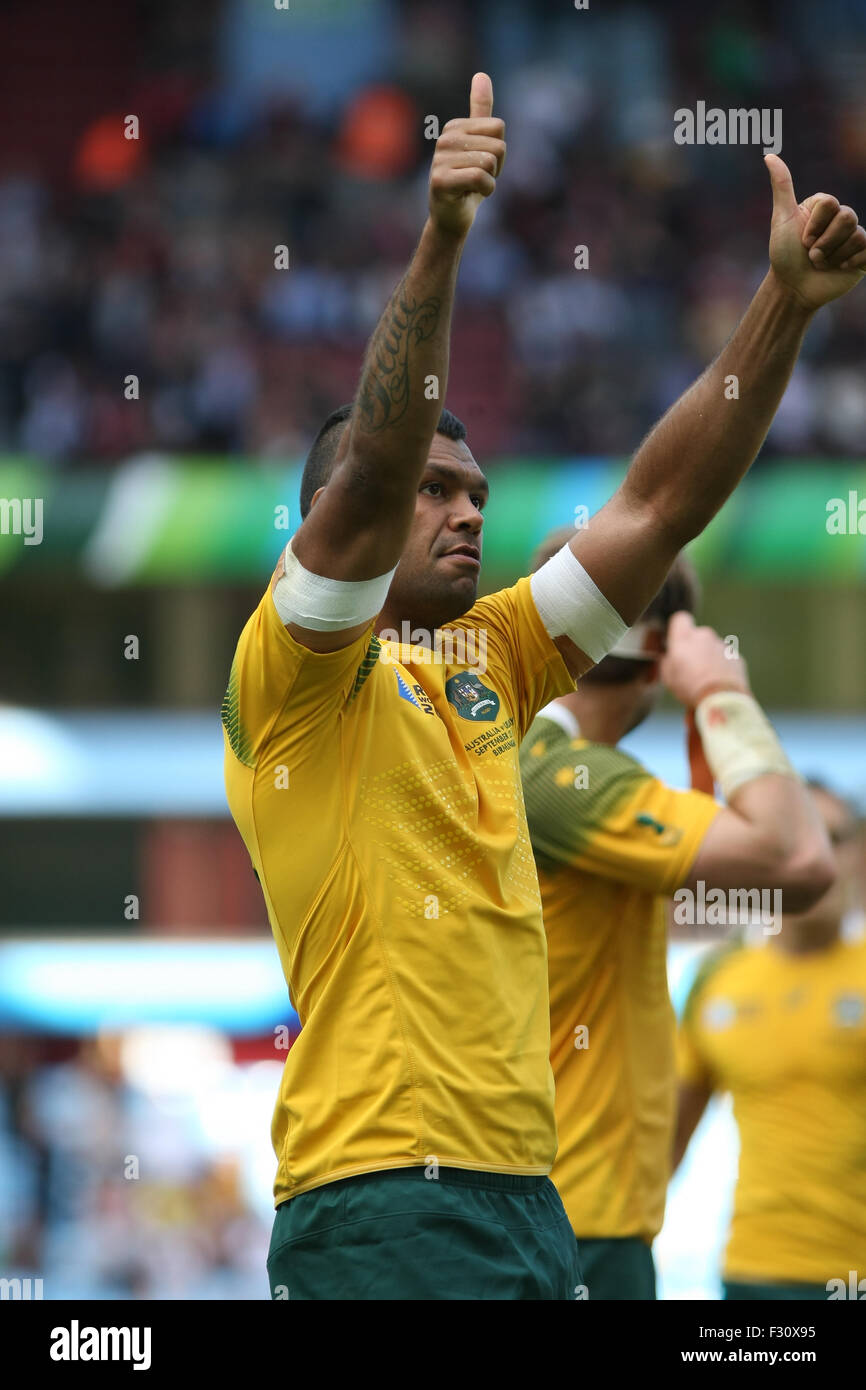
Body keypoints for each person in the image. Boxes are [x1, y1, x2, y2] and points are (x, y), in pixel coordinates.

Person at [222, 68, 866, 1299]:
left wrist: (783, 309)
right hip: (378, 1196)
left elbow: (658, 504)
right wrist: (442, 238)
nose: (466, 509)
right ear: (330, 521)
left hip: (531, 1195)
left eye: (476, 492)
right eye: (436, 491)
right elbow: (371, 469)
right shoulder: (293, 673)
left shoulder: (490, 662)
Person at [519, 536, 834, 1299]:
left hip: (551, 1206)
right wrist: (724, 698)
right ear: (661, 651)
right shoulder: (567, 778)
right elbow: (800, 864)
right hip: (579, 1217)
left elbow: (724, 859)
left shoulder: (528, 760)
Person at [673, 782, 866, 1300]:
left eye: (834, 837)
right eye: (797, 838)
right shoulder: (717, 983)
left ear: (859, 855)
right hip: (752, 1273)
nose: (818, 855)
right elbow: (664, 1146)